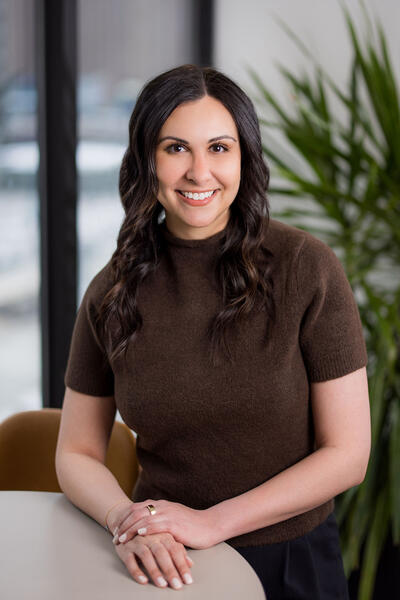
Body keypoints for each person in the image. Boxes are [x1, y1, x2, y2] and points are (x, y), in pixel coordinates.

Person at [57, 63, 371, 598]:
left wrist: (213, 523)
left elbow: (348, 452)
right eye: (175, 148)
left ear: (244, 158)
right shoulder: (112, 289)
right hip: (162, 561)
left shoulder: (306, 267)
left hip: (291, 562)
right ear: (145, 161)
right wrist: (124, 521)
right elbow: (76, 451)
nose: (199, 172)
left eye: (219, 148)